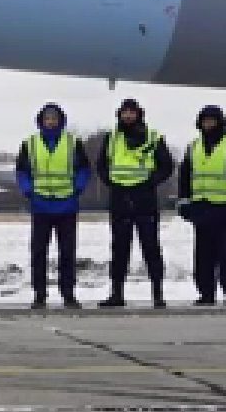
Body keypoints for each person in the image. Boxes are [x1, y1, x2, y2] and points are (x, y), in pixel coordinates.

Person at [96, 98, 175, 308]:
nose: (128, 116)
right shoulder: (111, 138)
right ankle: (117, 294)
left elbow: (167, 165)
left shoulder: (153, 137)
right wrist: (110, 181)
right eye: (125, 112)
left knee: (151, 248)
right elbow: (101, 165)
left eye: (132, 112)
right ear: (119, 115)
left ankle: (158, 294)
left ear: (139, 114)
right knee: (119, 249)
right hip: (120, 198)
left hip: (144, 199)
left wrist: (151, 181)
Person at [13, 103, 93, 309]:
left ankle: (68, 294)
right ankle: (40, 294)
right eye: (47, 118)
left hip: (66, 205)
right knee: (39, 252)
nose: (50, 122)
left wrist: (78, 188)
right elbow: (22, 171)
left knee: (67, 252)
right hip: (40, 205)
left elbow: (84, 169)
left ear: (61, 121)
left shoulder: (72, 142)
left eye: (54, 118)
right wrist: (28, 190)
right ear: (41, 121)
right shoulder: (30, 144)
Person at [176, 105, 226, 306]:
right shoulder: (193, 147)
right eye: (205, 120)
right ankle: (206, 293)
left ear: (220, 122)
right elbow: (184, 176)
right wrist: (183, 202)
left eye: (212, 120)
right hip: (201, 207)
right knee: (203, 255)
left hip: (225, 208)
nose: (208, 124)